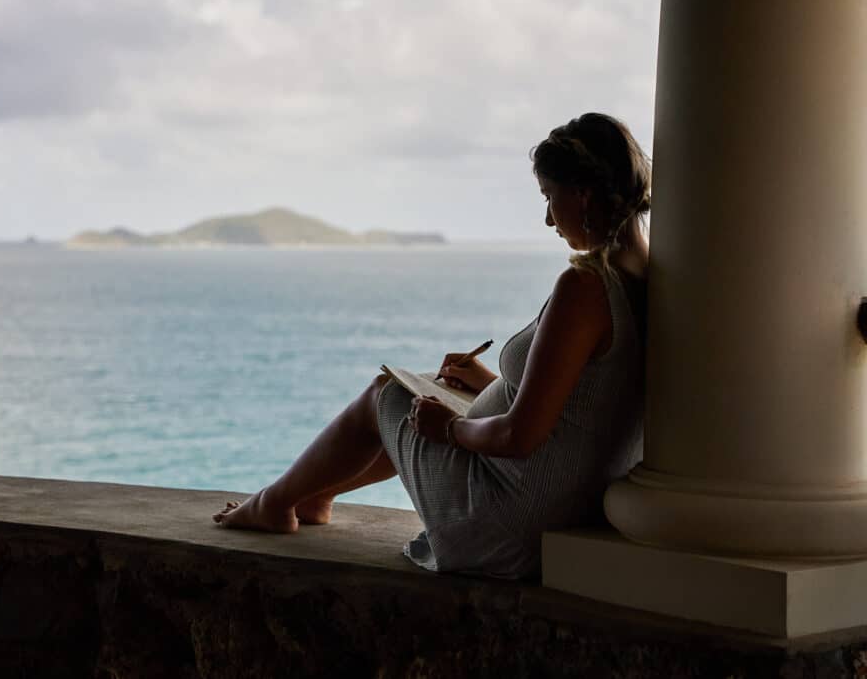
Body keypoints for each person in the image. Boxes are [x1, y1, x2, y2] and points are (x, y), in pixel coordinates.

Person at [213, 112, 651, 579]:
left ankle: (276, 503)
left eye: (549, 197)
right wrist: (485, 386)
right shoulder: (648, 276)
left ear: (582, 193)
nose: (547, 218)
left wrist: (449, 428)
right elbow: (583, 397)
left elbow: (518, 437)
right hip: (566, 509)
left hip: (507, 521)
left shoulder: (586, 287)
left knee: (383, 394)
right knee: (421, 398)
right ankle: (315, 496)